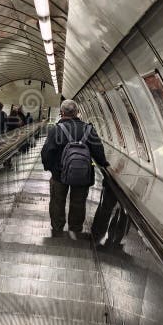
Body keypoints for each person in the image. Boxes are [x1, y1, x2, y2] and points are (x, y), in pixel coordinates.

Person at [41, 99, 108, 239]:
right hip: (83, 174)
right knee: (78, 203)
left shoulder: (56, 129)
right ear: (78, 112)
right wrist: (103, 164)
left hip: (59, 174)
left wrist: (49, 168)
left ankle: (58, 228)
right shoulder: (88, 129)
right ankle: (75, 230)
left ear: (62, 113)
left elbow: (47, 152)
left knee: (57, 201)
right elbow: (98, 151)